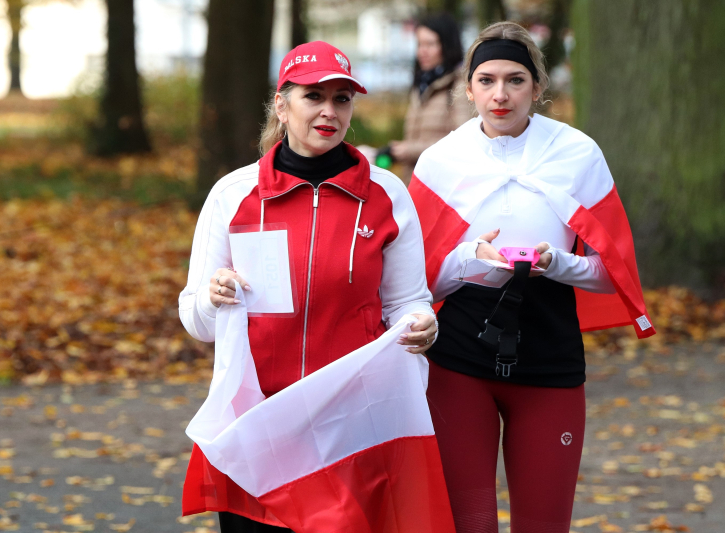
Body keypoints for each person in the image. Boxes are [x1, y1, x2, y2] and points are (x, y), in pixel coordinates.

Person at [178, 41, 438, 533]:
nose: (328, 111)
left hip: (348, 427)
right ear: (282, 104)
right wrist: (214, 297)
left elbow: (409, 304)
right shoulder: (234, 194)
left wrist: (423, 326)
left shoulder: (386, 194)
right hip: (256, 427)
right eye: (313, 96)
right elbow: (197, 321)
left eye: (342, 99)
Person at [408, 22, 655, 533]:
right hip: (458, 355)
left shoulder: (578, 154)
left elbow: (613, 275)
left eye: (516, 80)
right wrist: (471, 259)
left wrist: (555, 263)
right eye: (487, 80)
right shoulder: (440, 162)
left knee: (544, 524)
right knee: (467, 524)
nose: (501, 95)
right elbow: (415, 286)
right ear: (469, 87)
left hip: (549, 348)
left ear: (538, 88)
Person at [380, 13, 472, 182]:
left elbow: (464, 142)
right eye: (420, 44)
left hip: (442, 185)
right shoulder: (421, 85)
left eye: (430, 44)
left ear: (447, 45)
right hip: (415, 183)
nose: (422, 51)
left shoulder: (459, 87)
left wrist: (410, 150)